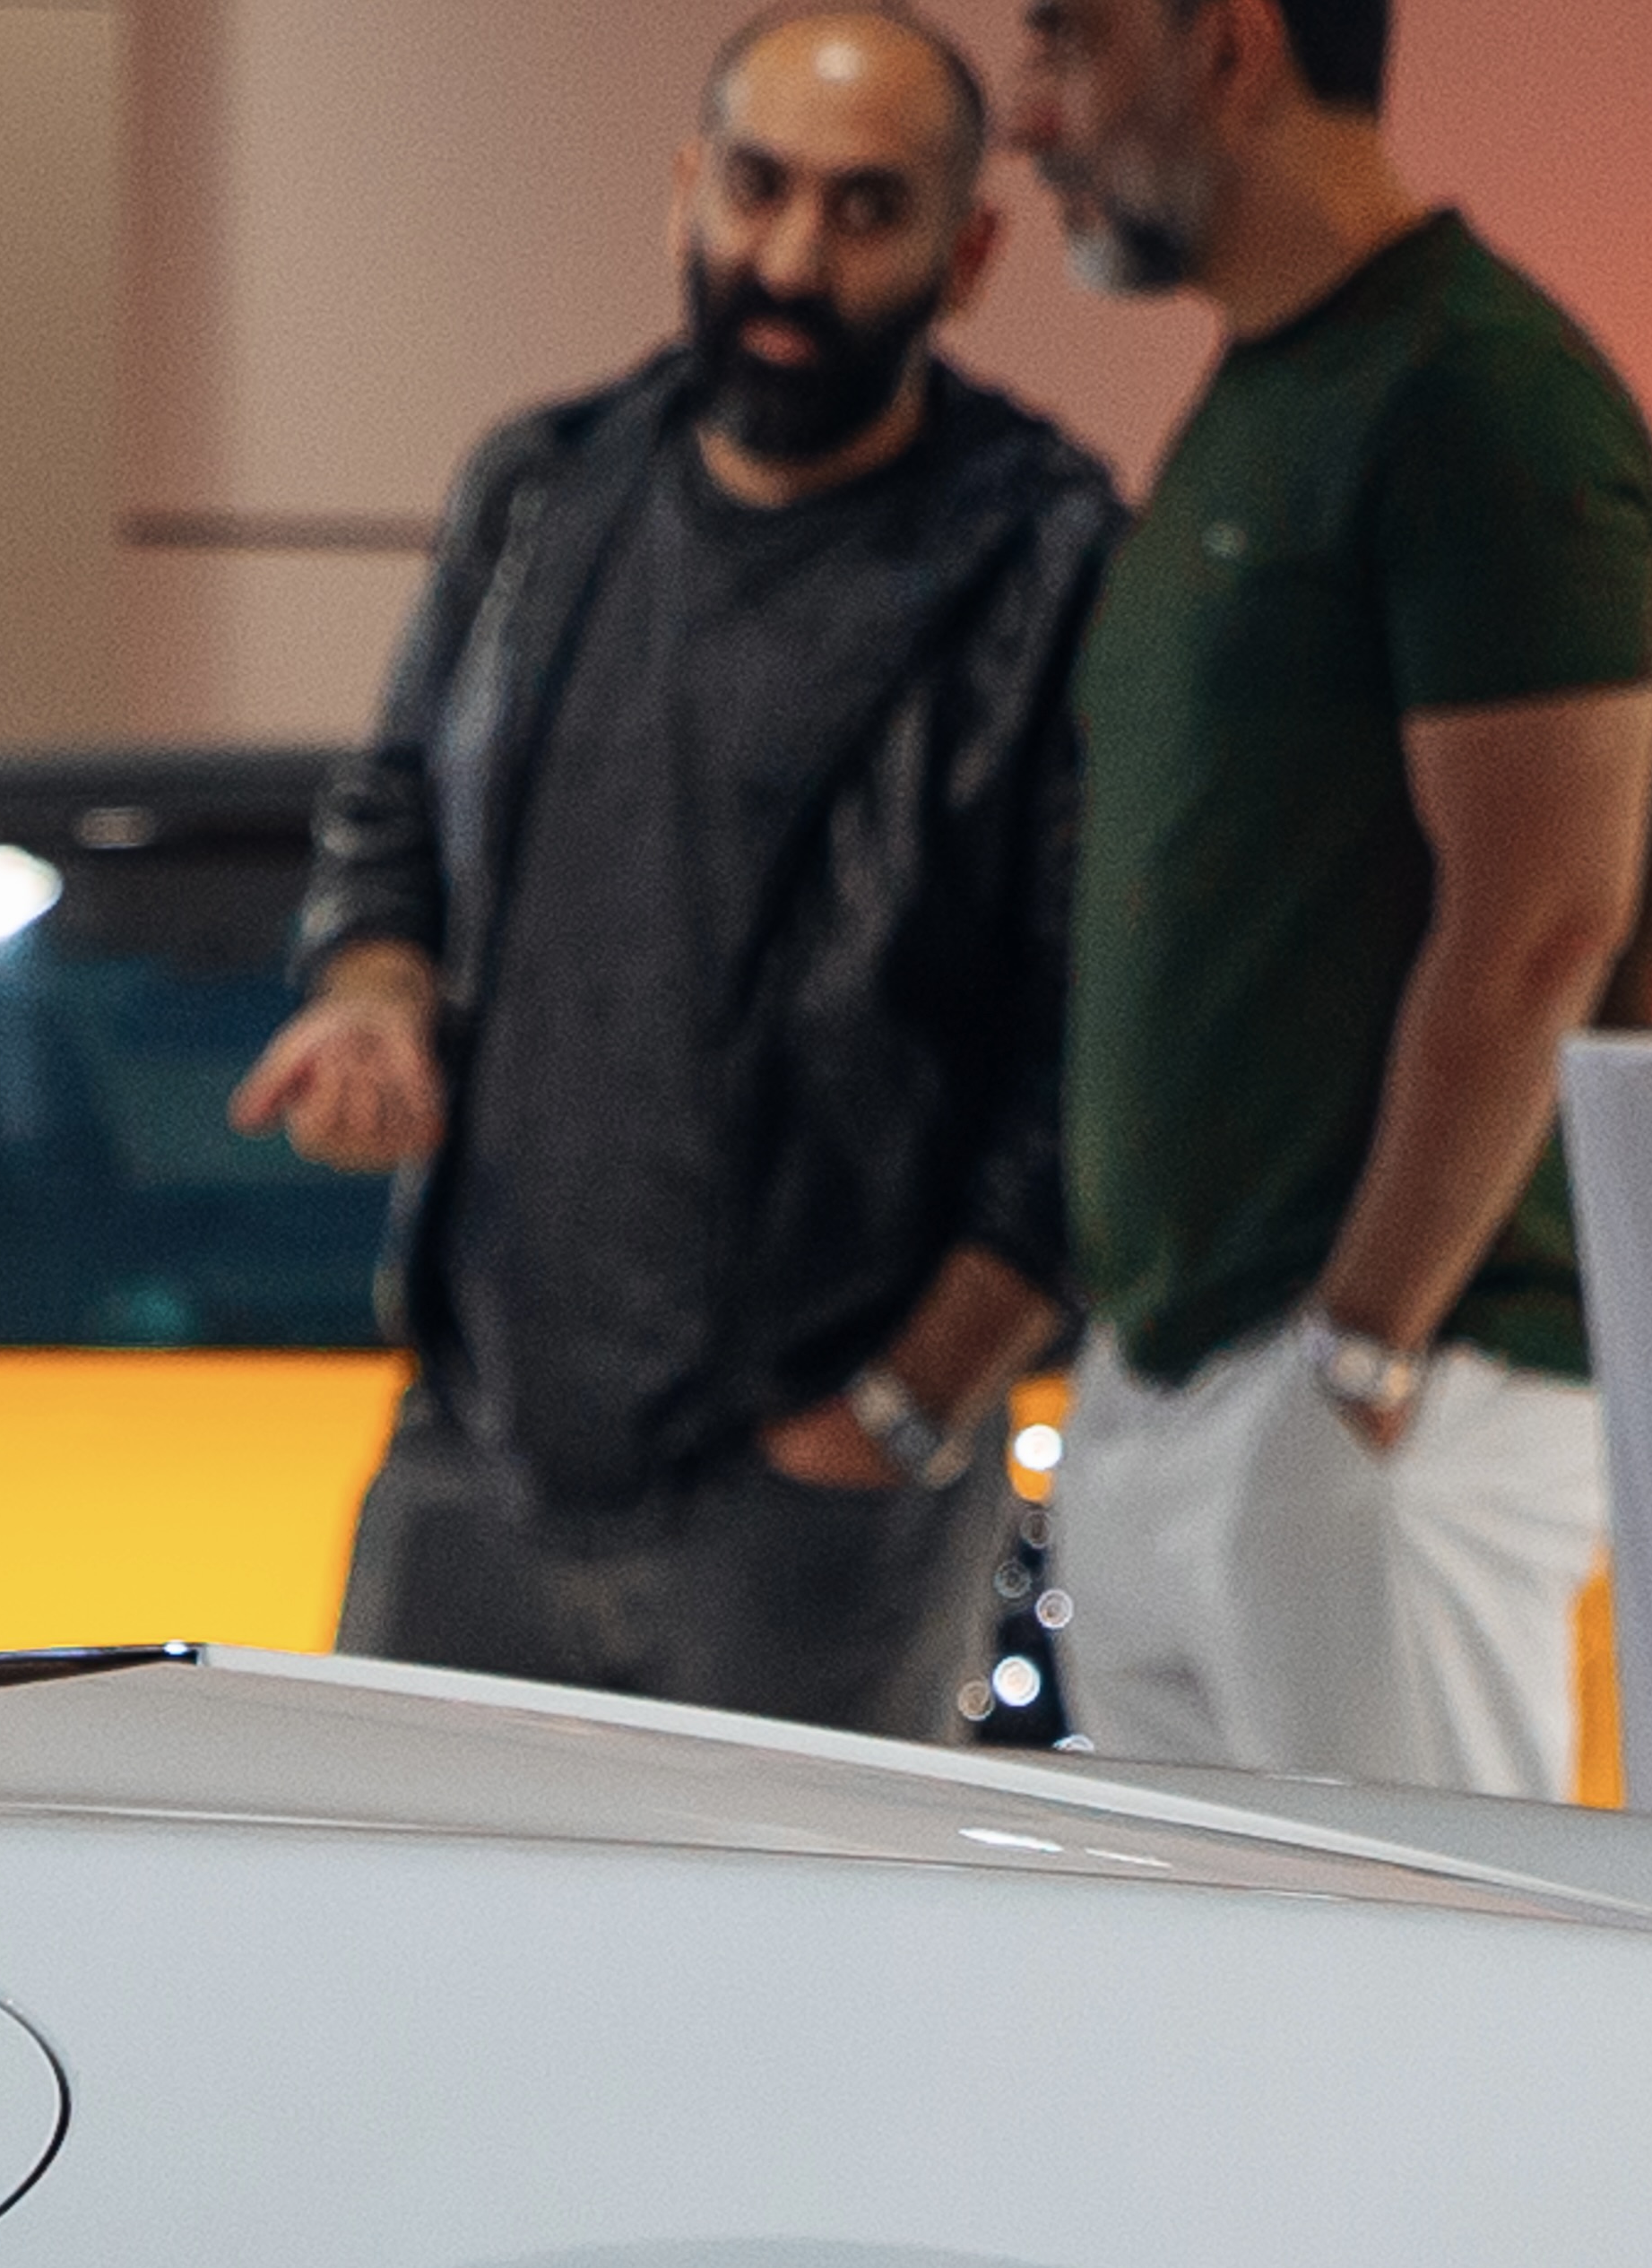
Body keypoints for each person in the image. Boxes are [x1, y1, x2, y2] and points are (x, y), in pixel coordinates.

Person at [239, 13, 1122, 1738]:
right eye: (757, 188)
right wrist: (374, 991)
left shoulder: (1048, 562)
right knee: (393, 1969)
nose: (792, 259)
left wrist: (903, 1400)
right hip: (478, 1440)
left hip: (815, 1502)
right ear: (684, 194)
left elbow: (1098, 1051)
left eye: (867, 212)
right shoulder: (542, 489)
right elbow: (393, 814)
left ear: (972, 254)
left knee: (787, 2002)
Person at [1010, 0, 1652, 1796]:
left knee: (1449, 2036)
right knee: (1220, 2048)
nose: (1026, 115)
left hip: (1394, 1391)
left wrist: (1360, 1354)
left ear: (1227, 47)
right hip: (1187, 1375)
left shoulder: (1475, 393)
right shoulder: (1258, 401)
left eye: (1065, 46)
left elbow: (1545, 913)